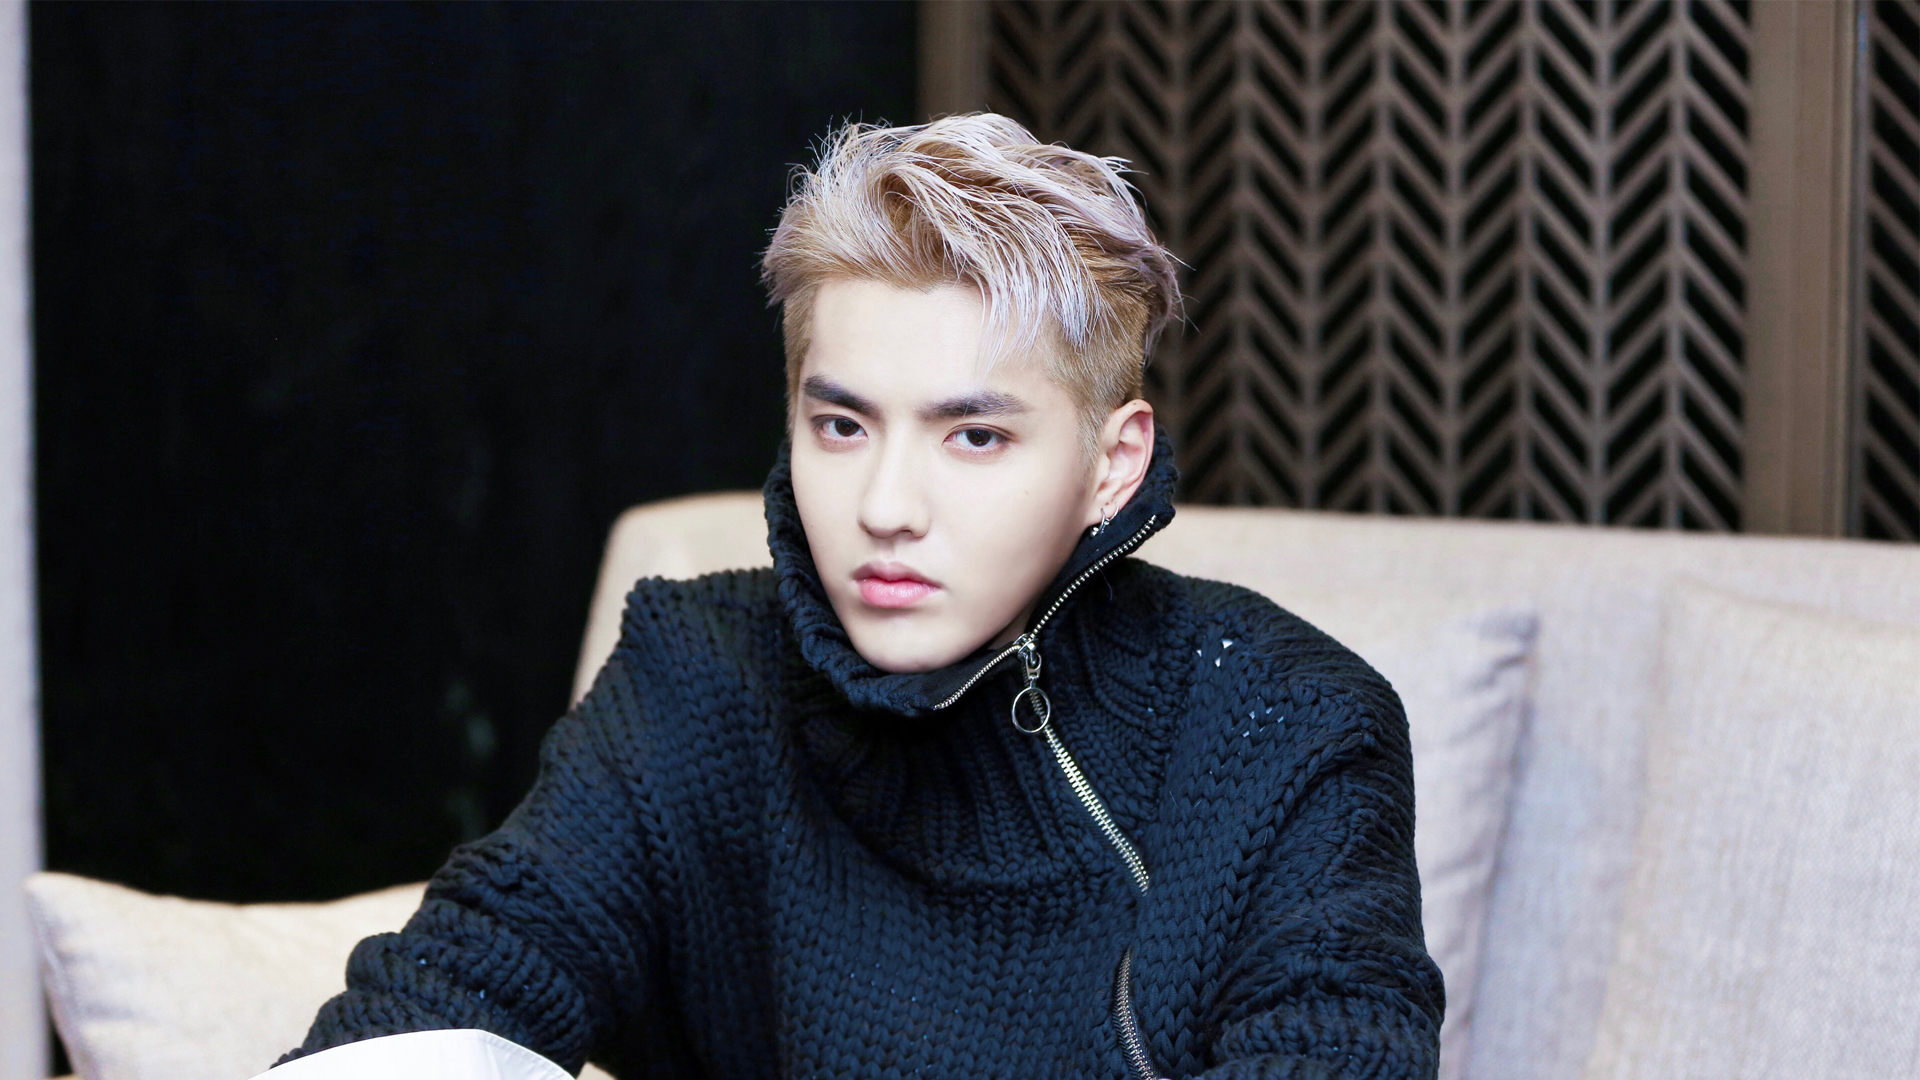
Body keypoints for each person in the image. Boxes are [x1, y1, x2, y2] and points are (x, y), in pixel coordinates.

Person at [273, 113, 1443, 1080]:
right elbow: (441, 1004)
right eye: (842, 425)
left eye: (974, 436)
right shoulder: (696, 677)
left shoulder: (1286, 728)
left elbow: (1338, 1052)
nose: (886, 506)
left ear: (1112, 463)